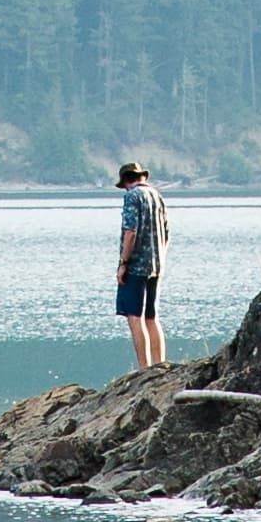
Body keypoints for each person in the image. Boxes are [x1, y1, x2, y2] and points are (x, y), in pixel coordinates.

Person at [112, 157, 168, 374]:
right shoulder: (156, 195)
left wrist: (123, 263)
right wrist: (159, 257)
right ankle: (160, 365)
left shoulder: (132, 196)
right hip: (157, 264)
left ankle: (144, 370)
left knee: (134, 316)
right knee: (152, 316)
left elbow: (130, 231)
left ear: (126, 180)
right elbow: (167, 233)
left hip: (136, 266)